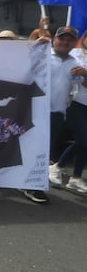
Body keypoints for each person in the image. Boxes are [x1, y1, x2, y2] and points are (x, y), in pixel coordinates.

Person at [48, 27, 87, 195]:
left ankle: (38, 179)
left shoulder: (74, 64)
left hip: (58, 112)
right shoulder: (42, 55)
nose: (65, 42)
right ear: (54, 39)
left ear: (73, 42)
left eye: (69, 39)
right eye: (61, 38)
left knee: (48, 147)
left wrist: (85, 75)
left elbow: (80, 86)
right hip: (38, 111)